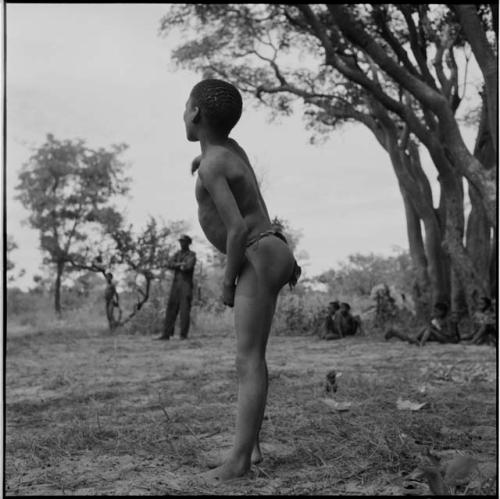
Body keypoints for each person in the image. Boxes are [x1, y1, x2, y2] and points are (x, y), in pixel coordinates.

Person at [183, 78, 301, 481]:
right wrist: (202, 162)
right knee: (253, 356)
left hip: (254, 254)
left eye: (186, 107)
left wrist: (227, 282)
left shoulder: (216, 162)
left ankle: (238, 463)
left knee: (247, 359)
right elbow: (244, 185)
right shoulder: (229, 152)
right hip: (272, 247)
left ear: (195, 113)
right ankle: (249, 448)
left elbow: (235, 229)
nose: (184, 113)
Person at [154, 235, 196, 340]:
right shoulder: (177, 254)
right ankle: (166, 334)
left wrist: (178, 265)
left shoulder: (192, 255)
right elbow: (168, 264)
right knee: (171, 309)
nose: (181, 243)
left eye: (183, 241)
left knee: (184, 310)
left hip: (186, 285)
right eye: (180, 241)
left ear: (188, 243)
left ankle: (183, 335)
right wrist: (180, 264)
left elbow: (188, 266)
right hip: (175, 285)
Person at [385, 302, 459, 346]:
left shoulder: (448, 321)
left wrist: (436, 329)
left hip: (448, 339)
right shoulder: (436, 320)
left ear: (442, 312)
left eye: (436, 311)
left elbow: (450, 335)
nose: (434, 312)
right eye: (434, 311)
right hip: (436, 336)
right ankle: (396, 333)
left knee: (428, 329)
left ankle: (419, 343)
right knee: (425, 329)